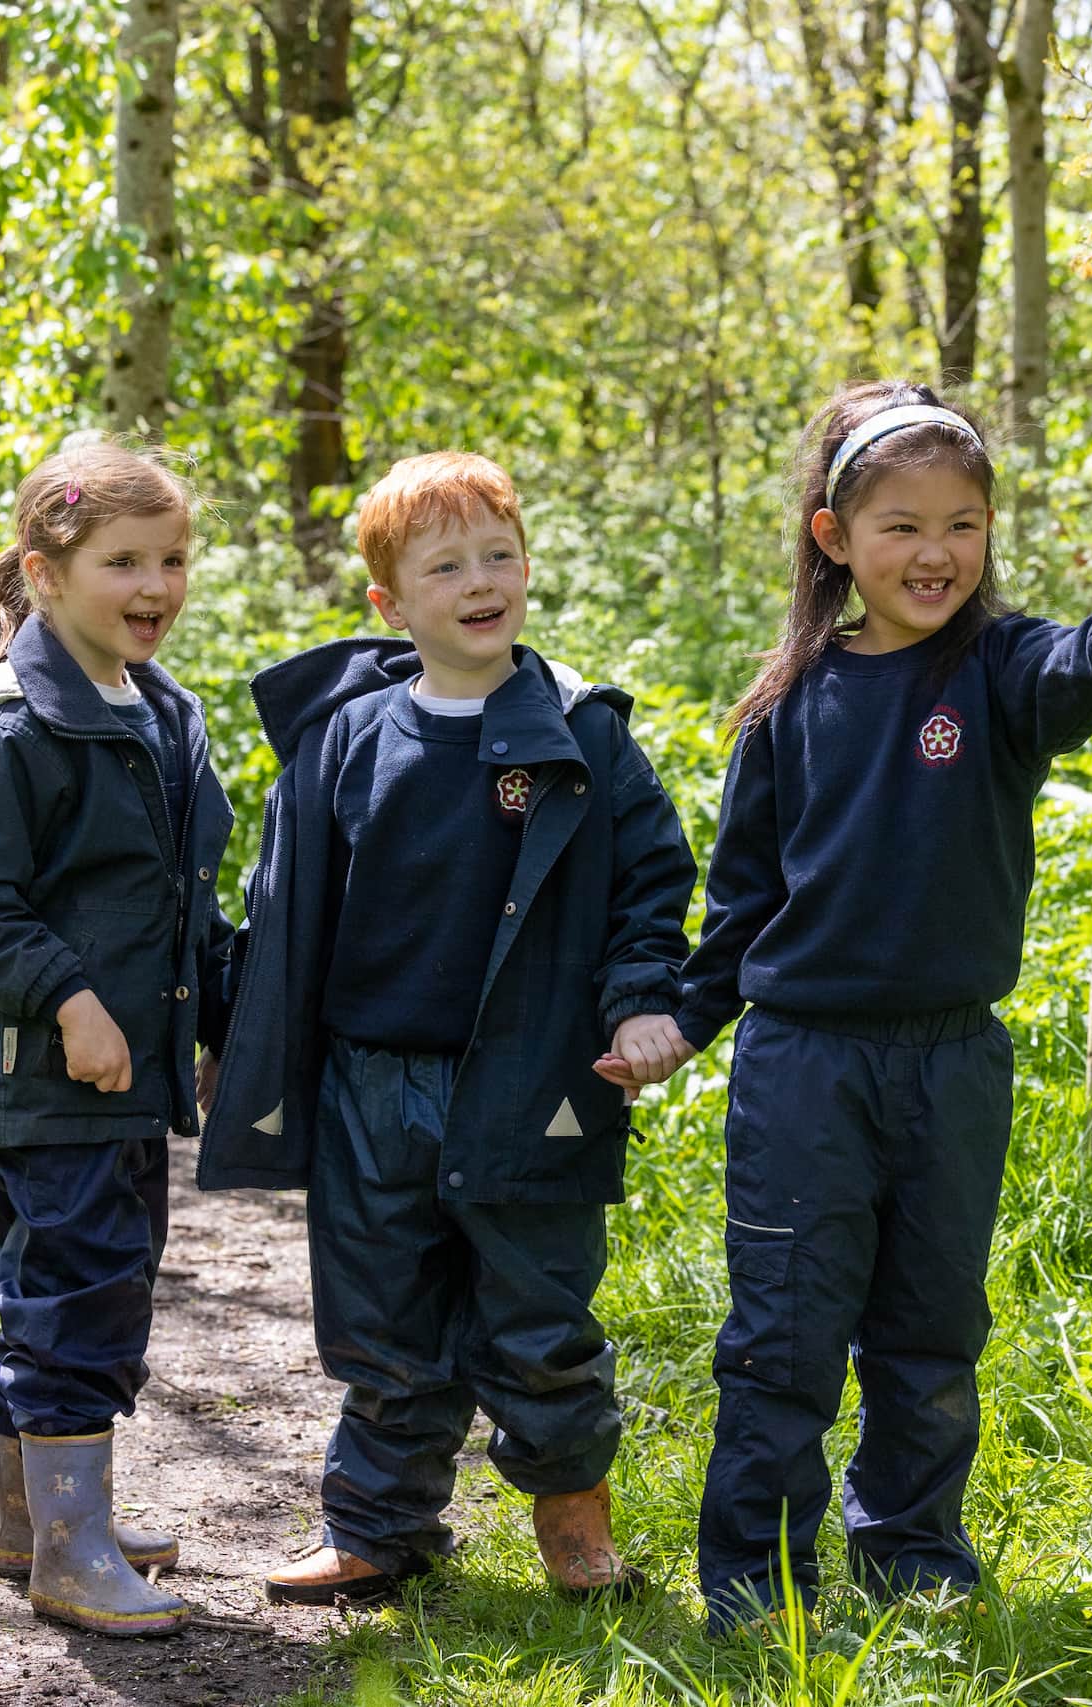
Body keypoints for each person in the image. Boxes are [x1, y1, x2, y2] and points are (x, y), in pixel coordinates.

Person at [674, 381, 1092, 1632]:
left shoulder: (1001, 670)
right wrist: (678, 1023)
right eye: (902, 526)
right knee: (787, 1334)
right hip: (804, 1064)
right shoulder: (791, 706)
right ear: (834, 540)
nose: (936, 553)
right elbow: (738, 901)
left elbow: (1074, 671)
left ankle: (912, 1553)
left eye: (962, 524)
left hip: (953, 1063)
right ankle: (758, 1578)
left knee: (931, 1327)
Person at [197, 451, 698, 1605]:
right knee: (383, 1320)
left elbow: (647, 889)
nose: (483, 582)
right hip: (373, 1086)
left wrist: (639, 999)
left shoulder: (586, 738)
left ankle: (578, 1531)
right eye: (447, 566)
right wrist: (240, 1036)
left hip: (537, 1080)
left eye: (499, 556)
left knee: (539, 1314)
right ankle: (378, 1528)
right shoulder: (344, 742)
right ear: (391, 603)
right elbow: (281, 913)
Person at [0, 441, 233, 1638]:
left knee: (72, 1282)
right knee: (80, 1294)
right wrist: (71, 1000)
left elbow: (176, 896)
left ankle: (30, 1518)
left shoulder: (158, 712)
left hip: (121, 1081)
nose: (154, 585)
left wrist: (215, 1007)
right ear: (45, 578)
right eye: (122, 562)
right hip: (47, 1079)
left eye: (172, 559)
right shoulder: (12, 730)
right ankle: (70, 1549)